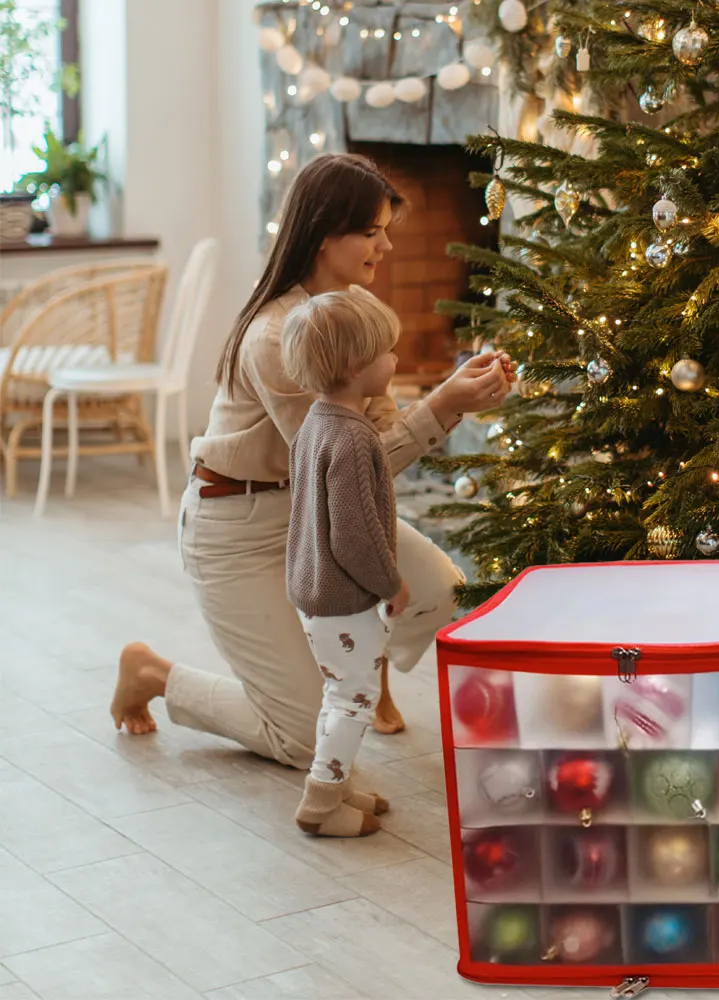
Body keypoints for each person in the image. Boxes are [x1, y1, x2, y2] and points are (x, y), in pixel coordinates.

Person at [110, 152, 511, 770]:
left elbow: (372, 442)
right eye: (372, 231)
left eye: (387, 230)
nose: (387, 246)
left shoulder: (349, 316)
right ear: (327, 235)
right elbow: (342, 467)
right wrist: (444, 403)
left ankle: (360, 665)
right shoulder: (278, 337)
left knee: (439, 590)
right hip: (237, 527)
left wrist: (451, 401)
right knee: (301, 737)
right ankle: (155, 674)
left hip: (312, 515)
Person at [283, 289, 409, 837]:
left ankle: (339, 780)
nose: (396, 360)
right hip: (344, 594)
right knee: (354, 697)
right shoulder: (354, 439)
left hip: (314, 590)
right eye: (388, 352)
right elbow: (355, 537)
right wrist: (391, 584)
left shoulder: (316, 421)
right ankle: (322, 801)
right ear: (357, 367)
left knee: (341, 692)